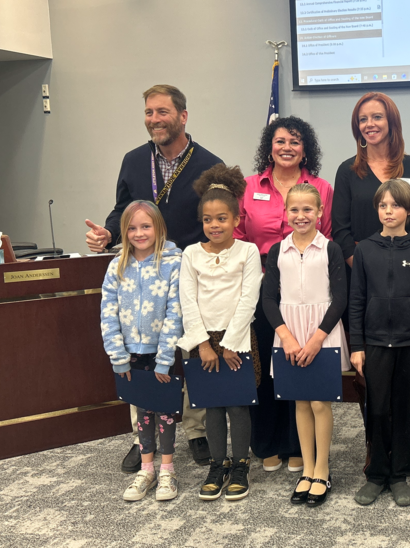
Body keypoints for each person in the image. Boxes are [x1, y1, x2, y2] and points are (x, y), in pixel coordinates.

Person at [85, 84, 222, 471]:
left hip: (189, 273)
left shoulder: (208, 164)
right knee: (142, 352)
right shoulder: (133, 161)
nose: (154, 120)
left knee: (189, 352)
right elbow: (122, 212)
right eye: (148, 112)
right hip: (141, 275)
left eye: (162, 112)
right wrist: (108, 234)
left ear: (183, 116)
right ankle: (141, 435)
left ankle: (195, 430)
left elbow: (216, 219)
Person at [235, 116, 331, 474]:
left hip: (305, 289)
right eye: (280, 141)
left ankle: (295, 444)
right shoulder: (249, 186)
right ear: (269, 146)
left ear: (305, 148)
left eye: (295, 141)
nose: (287, 147)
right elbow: (240, 237)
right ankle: (265, 442)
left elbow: (329, 238)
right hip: (259, 287)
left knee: (299, 362)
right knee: (263, 368)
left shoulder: (321, 187)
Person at [349, 180, 410, 507]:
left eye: (396, 205)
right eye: (383, 205)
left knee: (403, 411)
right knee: (377, 409)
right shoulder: (364, 249)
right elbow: (356, 299)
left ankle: (399, 473)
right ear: (377, 209)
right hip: (373, 345)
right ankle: (376, 474)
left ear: (409, 210)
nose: (389, 211)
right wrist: (356, 345)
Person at [177, 165, 263, 501]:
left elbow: (248, 298)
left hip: (238, 340)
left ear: (236, 219)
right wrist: (203, 344)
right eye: (208, 220)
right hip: (203, 343)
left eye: (222, 218)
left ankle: (241, 464)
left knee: (239, 405)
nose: (215, 225)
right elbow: (188, 299)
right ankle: (218, 464)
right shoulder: (191, 254)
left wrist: (229, 344)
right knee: (212, 406)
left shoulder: (247, 252)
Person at [261, 184, 349, 507]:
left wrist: (316, 339)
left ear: (320, 212)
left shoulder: (330, 250)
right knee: (299, 402)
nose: (301, 216)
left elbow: (340, 297)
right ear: (286, 213)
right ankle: (307, 469)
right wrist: (285, 335)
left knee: (319, 403)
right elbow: (268, 298)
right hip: (289, 335)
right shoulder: (277, 251)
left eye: (307, 210)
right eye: (294, 210)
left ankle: (323, 469)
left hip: (321, 333)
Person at [100, 200, 183, 501]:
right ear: (124, 232)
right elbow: (108, 312)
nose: (139, 233)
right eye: (132, 228)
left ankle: (167, 470)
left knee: (166, 410)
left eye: (145, 226)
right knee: (142, 411)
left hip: (161, 353)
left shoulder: (174, 262)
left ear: (159, 228)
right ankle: (146, 468)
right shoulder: (117, 265)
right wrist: (117, 355)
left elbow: (176, 311)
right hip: (129, 354)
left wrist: (165, 357)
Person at [332, 92, 410, 269]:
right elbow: (340, 228)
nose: (369, 124)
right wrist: (361, 266)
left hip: (407, 270)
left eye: (377, 117)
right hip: (361, 269)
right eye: (363, 119)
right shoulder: (347, 171)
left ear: (391, 122)